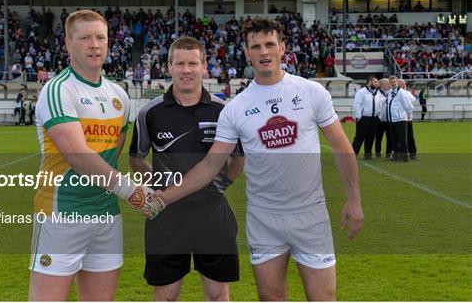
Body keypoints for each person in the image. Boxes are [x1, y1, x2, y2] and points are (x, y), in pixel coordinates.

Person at [156, 18, 363, 301]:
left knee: (323, 298)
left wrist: (353, 199)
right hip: (264, 218)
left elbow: (341, 146)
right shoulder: (236, 108)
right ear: (247, 52)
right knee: (271, 299)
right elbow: (210, 165)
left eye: (269, 44)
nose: (264, 52)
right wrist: (164, 198)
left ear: (282, 48)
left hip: (310, 214)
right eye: (256, 46)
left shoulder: (311, 92)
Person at [29, 10, 163, 301]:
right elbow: (78, 156)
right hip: (62, 214)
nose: (94, 44)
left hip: (106, 217)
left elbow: (112, 155)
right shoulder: (58, 90)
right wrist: (133, 192)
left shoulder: (120, 95)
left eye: (100, 37)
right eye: (85, 38)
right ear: (68, 44)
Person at [129, 37, 244, 301]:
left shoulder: (223, 111)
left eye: (193, 63)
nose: (186, 69)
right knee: (166, 295)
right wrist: (160, 186)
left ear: (205, 66)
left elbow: (238, 159)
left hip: (213, 212)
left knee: (217, 294)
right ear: (168, 67)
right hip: (167, 214)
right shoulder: (150, 112)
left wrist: (218, 186)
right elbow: (136, 158)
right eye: (179, 63)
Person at [352, 77, 382, 160]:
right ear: (369, 82)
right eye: (375, 82)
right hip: (364, 118)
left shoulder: (378, 92)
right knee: (360, 136)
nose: (377, 83)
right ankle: (353, 153)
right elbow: (357, 103)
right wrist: (358, 115)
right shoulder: (362, 92)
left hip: (374, 118)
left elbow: (379, 104)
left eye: (377, 82)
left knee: (371, 137)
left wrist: (379, 115)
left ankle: (368, 154)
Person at [387, 76, 414, 162]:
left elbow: (408, 105)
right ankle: (396, 156)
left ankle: (405, 157)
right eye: (391, 82)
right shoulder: (390, 93)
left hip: (401, 119)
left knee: (403, 140)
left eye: (394, 82)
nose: (393, 84)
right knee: (394, 139)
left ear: (397, 83)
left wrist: (408, 115)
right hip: (392, 120)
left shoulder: (402, 93)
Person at [398, 79, 417, 160]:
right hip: (401, 118)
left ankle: (411, 154)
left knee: (408, 137)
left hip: (406, 118)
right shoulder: (401, 93)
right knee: (406, 137)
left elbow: (413, 99)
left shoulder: (405, 93)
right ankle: (409, 154)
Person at [375, 78, 393, 159]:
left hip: (389, 119)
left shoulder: (391, 93)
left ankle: (388, 154)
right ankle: (377, 153)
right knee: (378, 138)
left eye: (388, 83)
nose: (388, 85)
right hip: (380, 120)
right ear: (381, 85)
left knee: (389, 138)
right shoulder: (377, 93)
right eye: (386, 83)